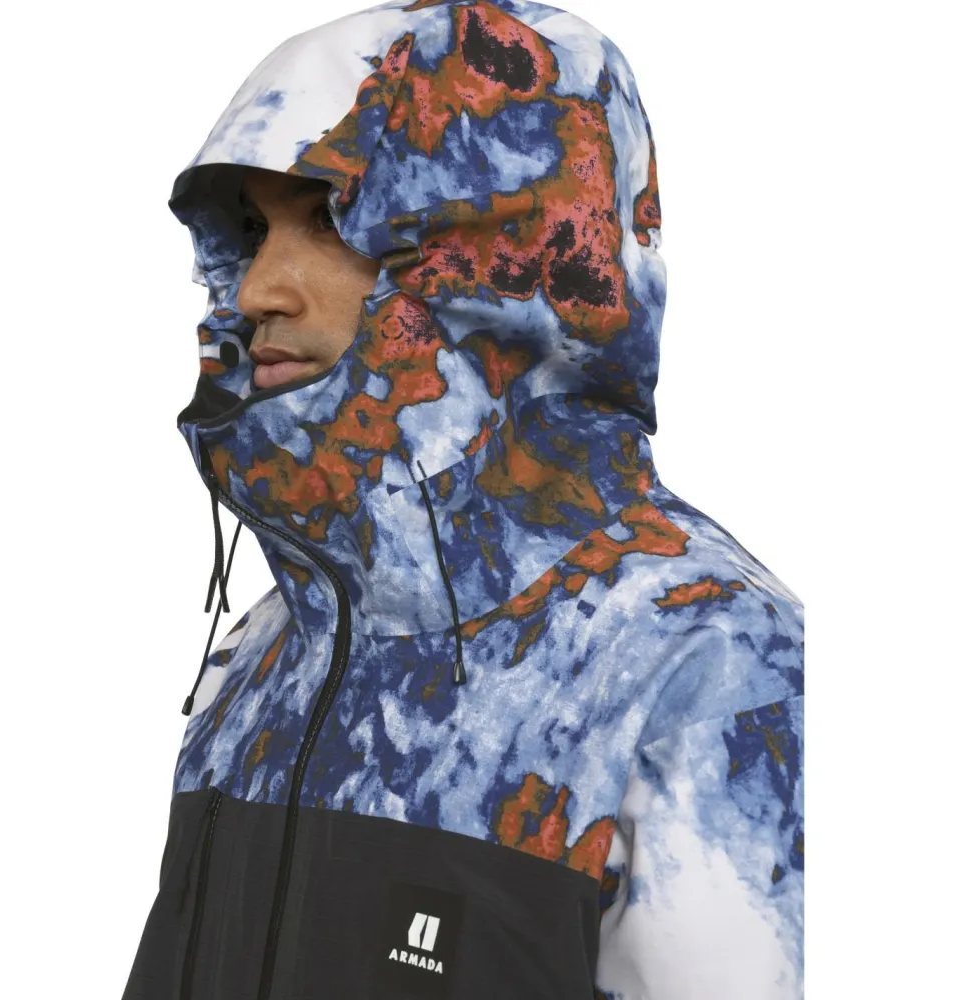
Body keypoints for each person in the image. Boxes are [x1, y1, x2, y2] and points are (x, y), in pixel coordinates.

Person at [121, 1, 804, 998]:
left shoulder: (707, 661)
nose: (260, 288)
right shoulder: (268, 646)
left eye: (331, 218)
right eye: (254, 230)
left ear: (507, 249)